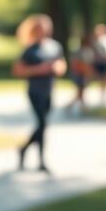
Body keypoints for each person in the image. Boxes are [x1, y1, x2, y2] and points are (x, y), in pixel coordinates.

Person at [12, 14, 66, 173]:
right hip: (35, 91)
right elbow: (18, 70)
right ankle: (41, 160)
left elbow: (62, 64)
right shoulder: (30, 50)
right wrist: (38, 69)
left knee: (42, 124)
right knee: (42, 123)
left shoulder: (55, 46)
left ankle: (23, 148)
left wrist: (57, 68)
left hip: (49, 90)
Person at [66, 32, 94, 116]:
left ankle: (81, 108)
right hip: (79, 74)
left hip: (82, 74)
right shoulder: (81, 52)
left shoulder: (86, 51)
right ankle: (82, 108)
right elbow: (78, 64)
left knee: (80, 92)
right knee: (80, 92)